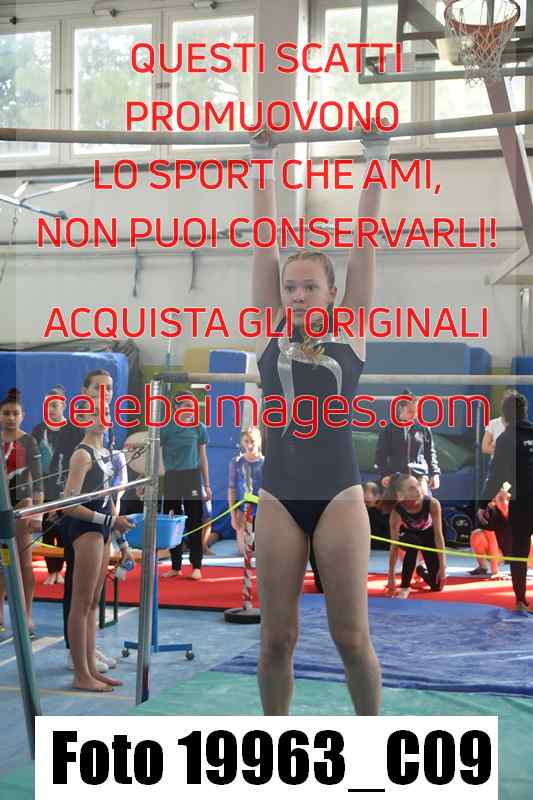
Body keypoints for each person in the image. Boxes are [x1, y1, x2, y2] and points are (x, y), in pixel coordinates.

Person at [251, 125, 386, 716]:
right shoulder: (269, 330)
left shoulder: (350, 332)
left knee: (351, 638)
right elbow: (263, 246)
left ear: (333, 294)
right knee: (276, 639)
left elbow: (364, 245)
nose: (298, 295)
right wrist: (262, 157)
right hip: (279, 494)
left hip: (338, 494)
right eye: (290, 287)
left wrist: (377, 156)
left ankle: (372, 743)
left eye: (310, 287)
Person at [48, 369, 118, 672]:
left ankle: (87, 649)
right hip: (79, 515)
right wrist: (55, 503)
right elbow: (60, 470)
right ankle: (73, 651)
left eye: (109, 388)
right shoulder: (75, 430)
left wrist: (114, 523)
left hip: (99, 516)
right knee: (78, 589)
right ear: (84, 391)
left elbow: (106, 479)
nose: (105, 393)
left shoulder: (105, 428)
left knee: (91, 597)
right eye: (98, 388)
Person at [62, 401, 133, 692]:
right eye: (93, 414)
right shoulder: (82, 455)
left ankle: (91, 668)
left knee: (93, 603)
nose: (100, 419)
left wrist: (122, 540)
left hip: (103, 529)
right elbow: (68, 504)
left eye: (104, 413)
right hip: (86, 528)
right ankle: (81, 673)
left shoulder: (106, 453)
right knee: (80, 603)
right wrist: (109, 521)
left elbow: (110, 500)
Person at [480, 391, 533, 613]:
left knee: (519, 552)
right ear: (525, 412)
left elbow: (497, 475)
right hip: (522, 496)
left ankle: (520, 600)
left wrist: (482, 504)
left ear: (504, 416)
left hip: (523, 503)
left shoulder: (506, 439)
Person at [0, 388, 44, 636]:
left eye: (15, 414)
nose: (10, 418)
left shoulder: (29, 442)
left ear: (23, 416)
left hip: (21, 506)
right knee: (1, 562)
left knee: (25, 563)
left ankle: (26, 614)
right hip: (1, 505)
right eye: (6, 413)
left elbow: (38, 480)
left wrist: (37, 514)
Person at [160, 393, 211, 581]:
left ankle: (196, 565)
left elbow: (203, 457)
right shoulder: (166, 428)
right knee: (172, 520)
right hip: (172, 477)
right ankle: (176, 566)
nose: (191, 410)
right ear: (177, 407)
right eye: (187, 405)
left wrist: (207, 484)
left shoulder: (199, 427)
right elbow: (156, 455)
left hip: (192, 477)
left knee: (194, 519)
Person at [382, 473, 447, 599]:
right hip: (409, 536)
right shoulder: (397, 511)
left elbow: (439, 536)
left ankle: (420, 569)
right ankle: (405, 586)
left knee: (437, 585)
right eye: (411, 488)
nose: (418, 490)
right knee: (413, 541)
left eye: (417, 485)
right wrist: (391, 577)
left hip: (428, 536)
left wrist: (443, 567)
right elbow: (394, 546)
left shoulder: (432, 503)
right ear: (400, 494)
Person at [32, 385, 67, 585]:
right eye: (48, 406)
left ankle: (59, 571)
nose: (51, 410)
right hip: (45, 484)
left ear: (63, 406)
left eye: (55, 405)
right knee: (47, 529)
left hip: (63, 484)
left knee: (61, 529)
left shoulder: (69, 429)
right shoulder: (39, 429)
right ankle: (51, 571)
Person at [375, 390, 441, 496]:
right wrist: (384, 475)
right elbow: (381, 454)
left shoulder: (423, 428)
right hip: (397, 475)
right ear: (401, 408)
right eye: (410, 411)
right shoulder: (389, 429)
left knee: (423, 498)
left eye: (416, 412)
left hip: (419, 473)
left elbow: (430, 453)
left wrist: (435, 474)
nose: (414, 415)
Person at [227, 427, 264, 555]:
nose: (249, 445)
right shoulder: (236, 462)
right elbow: (231, 490)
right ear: (242, 442)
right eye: (246, 441)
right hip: (243, 511)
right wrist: (233, 516)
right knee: (244, 552)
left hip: (262, 511)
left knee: (261, 552)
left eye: (252, 441)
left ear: (259, 441)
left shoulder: (265, 463)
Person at [469, 487, 510, 578]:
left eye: (506, 498)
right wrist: (495, 571)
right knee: (476, 535)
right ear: (494, 500)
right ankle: (482, 566)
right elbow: (492, 541)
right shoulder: (491, 513)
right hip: (499, 553)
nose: (504, 501)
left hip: (519, 551)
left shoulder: (518, 511)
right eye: (500, 499)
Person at [364, 481, 390, 550]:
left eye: (365, 491)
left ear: (377, 496)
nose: (363, 494)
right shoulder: (358, 512)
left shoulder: (383, 514)